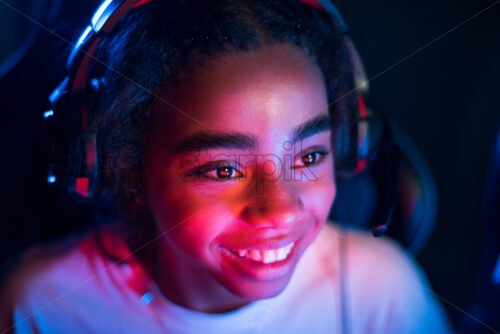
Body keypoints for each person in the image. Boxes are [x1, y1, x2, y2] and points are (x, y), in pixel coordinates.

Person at [0, 0, 451, 333]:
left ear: (349, 145)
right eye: (223, 170)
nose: (281, 212)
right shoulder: (41, 305)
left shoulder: (384, 292)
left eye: (310, 157)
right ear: (125, 167)